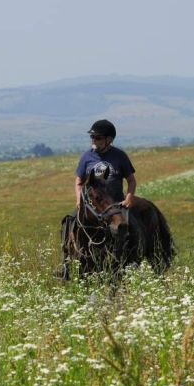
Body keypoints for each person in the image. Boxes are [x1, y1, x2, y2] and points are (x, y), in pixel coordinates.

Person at [56, 119, 137, 279]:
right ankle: (66, 265)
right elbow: (79, 182)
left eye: (98, 137)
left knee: (130, 227)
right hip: (92, 205)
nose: (94, 140)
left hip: (114, 205)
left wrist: (129, 197)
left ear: (109, 139)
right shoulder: (87, 156)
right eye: (92, 137)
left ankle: (133, 262)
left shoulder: (120, 156)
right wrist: (79, 199)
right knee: (69, 222)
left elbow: (131, 180)